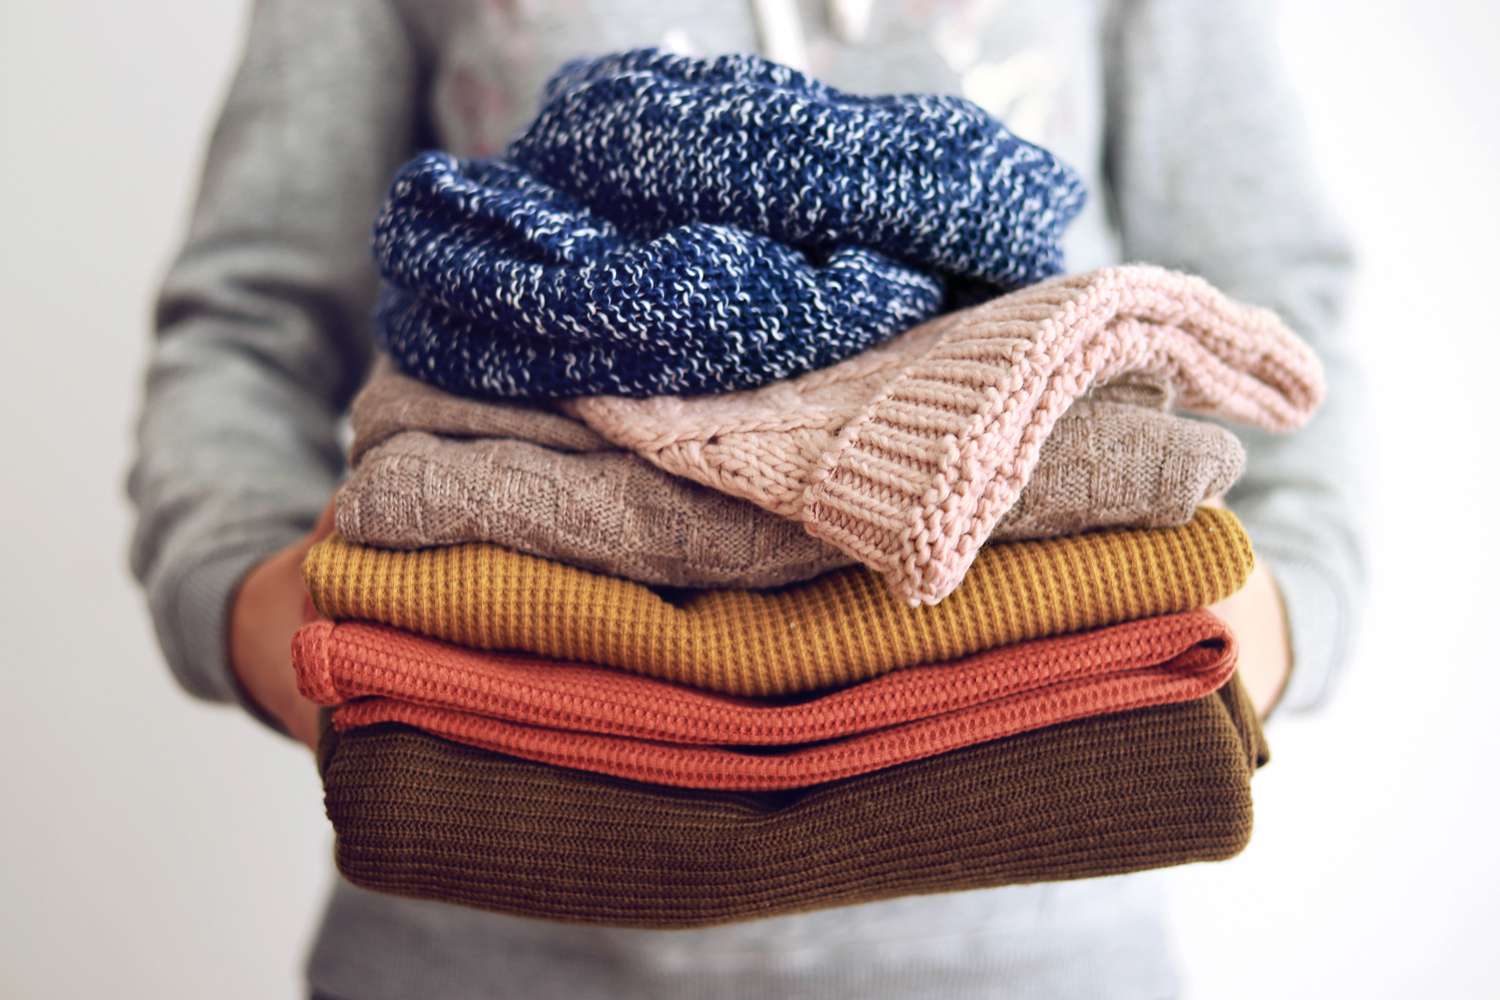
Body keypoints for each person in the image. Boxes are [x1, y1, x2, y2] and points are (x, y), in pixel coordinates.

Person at [128, 1, 1367, 997]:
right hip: (483, 954)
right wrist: (269, 619)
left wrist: (1246, 635)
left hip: (1036, 958)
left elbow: (1279, 317)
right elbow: (251, 320)